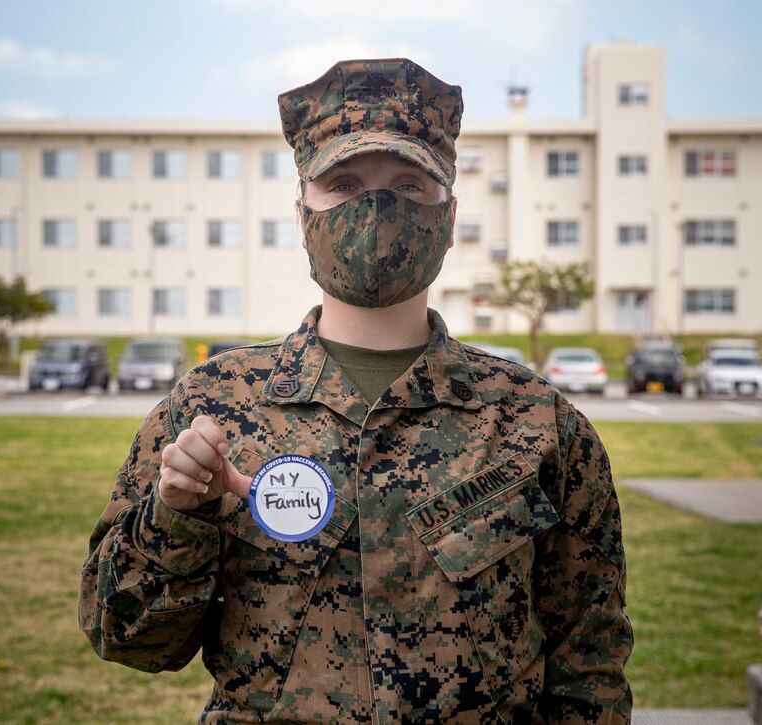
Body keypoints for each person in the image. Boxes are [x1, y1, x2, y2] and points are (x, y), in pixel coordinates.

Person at [79, 57, 632, 723]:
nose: (376, 208)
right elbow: (129, 637)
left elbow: (589, 666)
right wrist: (177, 513)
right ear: (303, 213)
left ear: (450, 217)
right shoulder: (210, 406)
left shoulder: (538, 423)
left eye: (408, 184)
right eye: (342, 185)